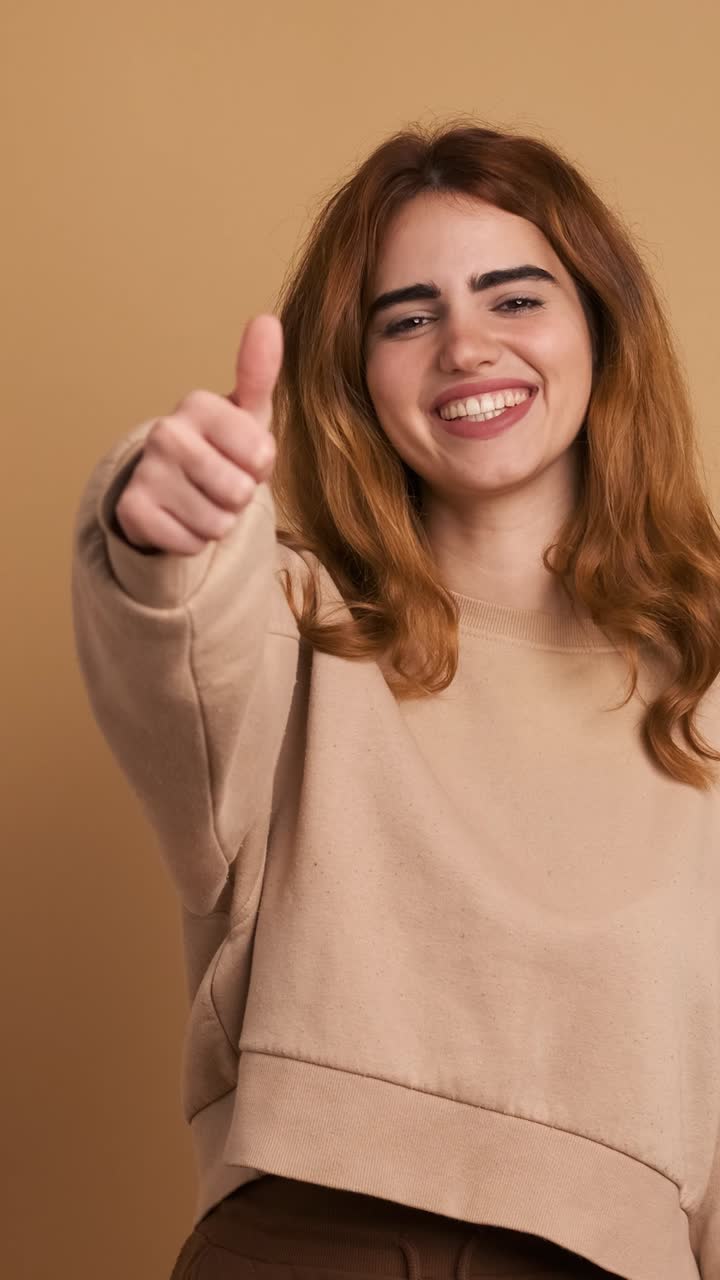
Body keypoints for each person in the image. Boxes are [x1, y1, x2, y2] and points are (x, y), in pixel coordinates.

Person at [70, 119, 720, 1280]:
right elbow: (176, 641)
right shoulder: (292, 623)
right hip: (313, 1241)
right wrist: (161, 522)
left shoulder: (705, 685)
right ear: (359, 374)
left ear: (600, 329)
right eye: (409, 317)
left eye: (515, 298)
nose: (464, 345)